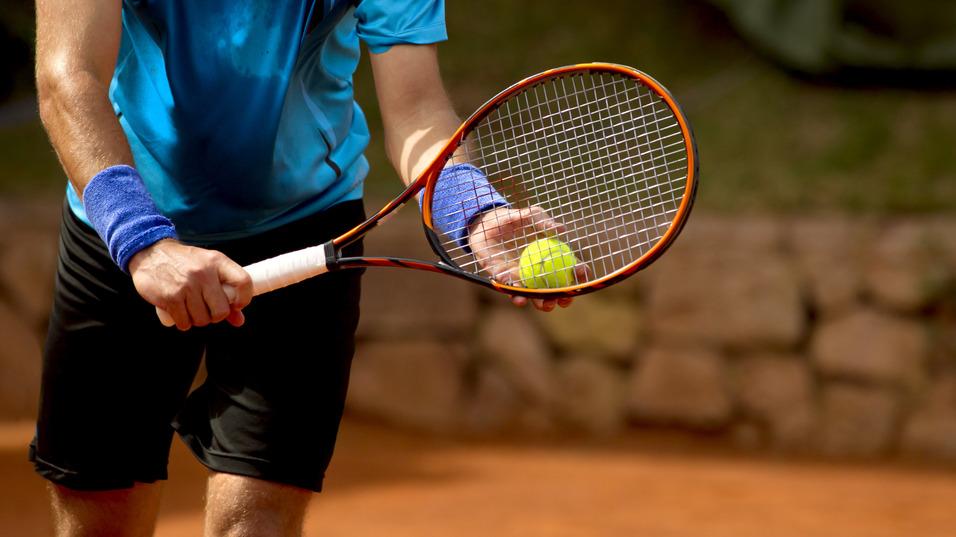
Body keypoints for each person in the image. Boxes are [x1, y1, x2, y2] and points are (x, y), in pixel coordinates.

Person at [31, 1, 573, 536]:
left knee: (257, 520)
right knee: (97, 515)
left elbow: (419, 111)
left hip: (305, 223)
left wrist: (472, 211)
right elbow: (67, 75)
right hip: (121, 219)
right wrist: (142, 241)